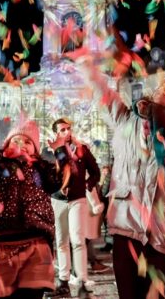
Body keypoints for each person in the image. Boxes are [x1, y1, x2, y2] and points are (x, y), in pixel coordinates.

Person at [82, 60, 165, 299]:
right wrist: (87, 64)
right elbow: (103, 94)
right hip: (128, 230)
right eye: (164, 89)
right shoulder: (126, 121)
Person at [0, 119, 64, 299]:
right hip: (2, 241)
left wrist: (60, 151)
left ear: (35, 148)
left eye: (28, 142)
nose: (22, 145)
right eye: (16, 141)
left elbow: (60, 179)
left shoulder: (42, 169)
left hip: (35, 240)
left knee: (32, 293)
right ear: (6, 146)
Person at [42, 118, 101, 299]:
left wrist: (87, 184)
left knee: (77, 240)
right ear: (56, 133)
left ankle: (82, 282)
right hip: (58, 200)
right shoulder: (49, 152)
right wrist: (57, 149)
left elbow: (96, 172)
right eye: (62, 130)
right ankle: (63, 281)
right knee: (61, 241)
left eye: (68, 129)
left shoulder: (81, 149)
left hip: (77, 200)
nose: (67, 132)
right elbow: (51, 174)